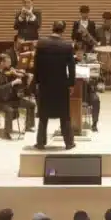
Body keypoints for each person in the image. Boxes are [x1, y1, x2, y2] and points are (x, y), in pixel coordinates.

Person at [32, 20, 77, 151]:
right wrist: (71, 84)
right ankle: (69, 143)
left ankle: (40, 143)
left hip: (45, 85)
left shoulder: (41, 44)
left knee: (43, 115)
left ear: (52, 28)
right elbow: (72, 67)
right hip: (61, 85)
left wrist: (37, 82)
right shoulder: (67, 46)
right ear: (63, 30)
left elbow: (36, 65)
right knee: (64, 115)